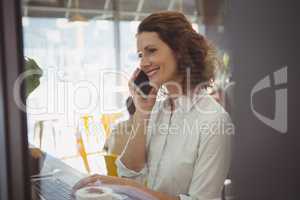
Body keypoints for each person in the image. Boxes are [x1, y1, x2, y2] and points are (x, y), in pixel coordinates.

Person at [73, 11, 233, 200]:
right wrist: (142, 111)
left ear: (179, 50)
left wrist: (122, 185)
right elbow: (129, 172)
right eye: (140, 55)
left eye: (151, 51)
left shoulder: (214, 121)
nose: (142, 63)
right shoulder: (157, 110)